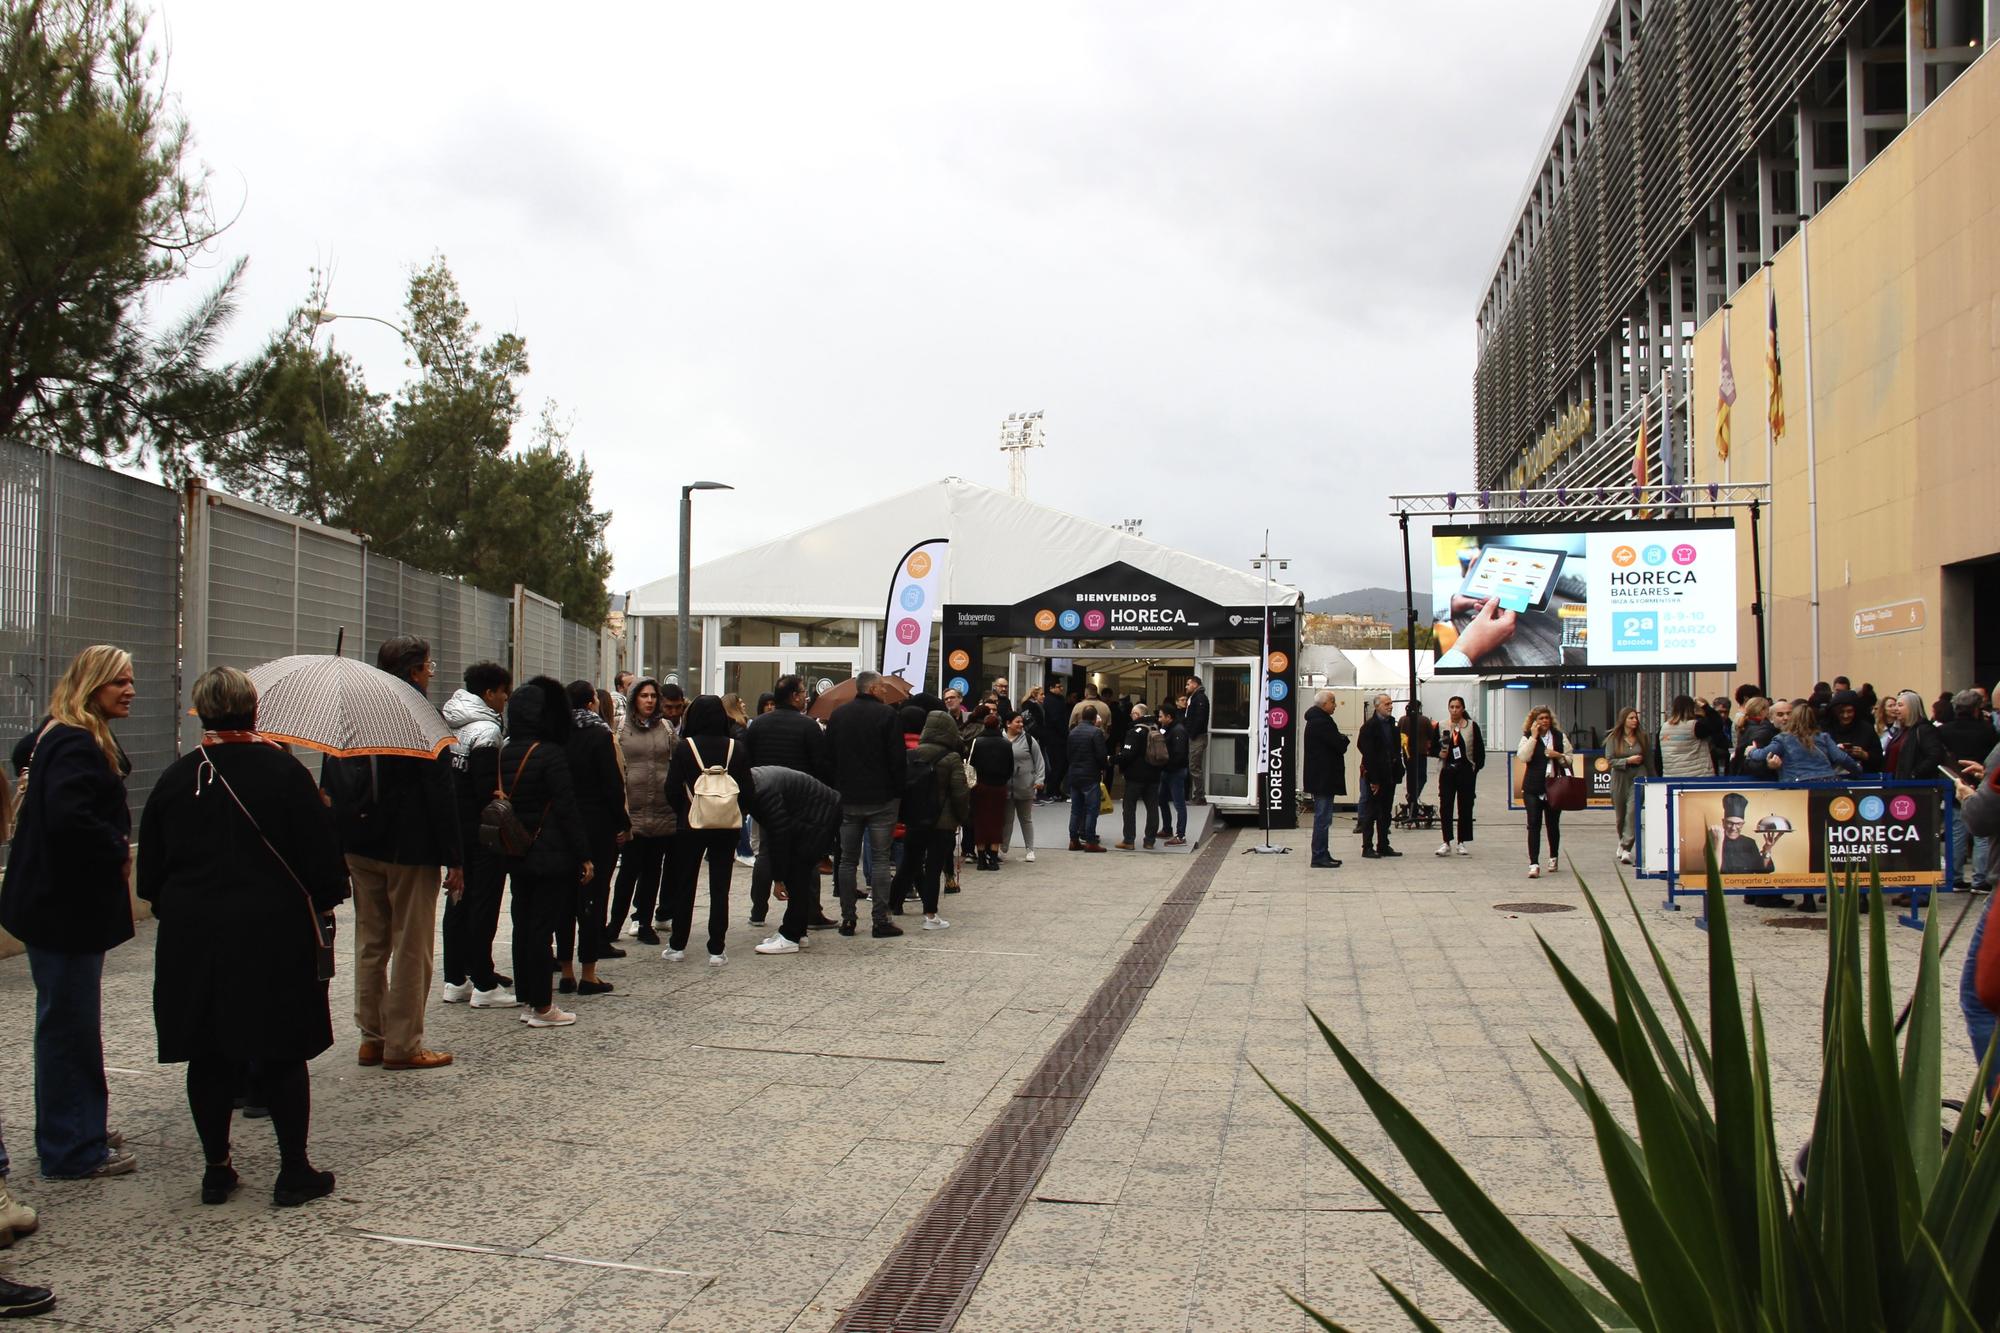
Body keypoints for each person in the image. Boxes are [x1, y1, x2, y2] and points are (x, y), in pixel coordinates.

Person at [137, 667, 347, 1207]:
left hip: (193, 932)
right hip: (271, 930)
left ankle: (216, 1168)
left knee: (206, 1051)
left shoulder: (177, 777)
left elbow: (149, 876)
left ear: (201, 712)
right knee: (280, 1048)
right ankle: (293, 1169)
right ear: (255, 710)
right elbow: (324, 870)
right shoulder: (285, 774)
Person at [1, 646, 140, 1179]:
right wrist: (115, 848)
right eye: (118, 682)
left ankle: (79, 1125)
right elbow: (70, 818)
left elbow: (23, 759)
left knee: (67, 1022)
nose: (128, 690)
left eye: (130, 681)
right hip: (65, 908)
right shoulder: (80, 743)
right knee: (70, 1027)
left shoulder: (52, 731)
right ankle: (71, 1147)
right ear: (92, 686)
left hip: (44, 902)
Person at [322, 636, 462, 1072]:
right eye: (428, 666)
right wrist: (454, 857)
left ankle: (372, 1037)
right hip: (410, 848)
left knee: (370, 942)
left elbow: (330, 778)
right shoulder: (419, 715)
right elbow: (441, 795)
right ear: (416, 670)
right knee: (411, 945)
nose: (431, 673)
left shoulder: (352, 712)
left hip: (359, 845)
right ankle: (403, 1043)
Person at [474, 678, 590, 1028]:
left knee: (523, 923)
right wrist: (583, 854)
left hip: (516, 849)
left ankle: (527, 995)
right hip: (550, 851)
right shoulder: (551, 753)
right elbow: (567, 807)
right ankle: (543, 1006)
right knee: (542, 928)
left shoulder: (506, 749)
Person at [441, 662, 514, 1008]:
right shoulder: (486, 730)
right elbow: (487, 788)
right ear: (489, 693)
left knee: (457, 900)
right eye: (503, 692)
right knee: (483, 904)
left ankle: (455, 978)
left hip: (454, 825)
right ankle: (484, 983)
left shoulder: (450, 721)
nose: (505, 699)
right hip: (481, 833)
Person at [665, 695, 759, 962]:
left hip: (691, 823)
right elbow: (748, 791)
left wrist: (684, 811)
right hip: (726, 825)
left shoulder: (685, 748)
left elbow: (671, 788)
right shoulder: (736, 748)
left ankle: (677, 945)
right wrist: (735, 811)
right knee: (720, 885)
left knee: (685, 883)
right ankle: (716, 948)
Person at [745, 675, 834, 925]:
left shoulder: (758, 725)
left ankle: (758, 910)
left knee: (765, 851)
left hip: (766, 797)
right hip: (800, 799)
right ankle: (811, 911)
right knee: (807, 855)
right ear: (794, 696)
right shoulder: (808, 726)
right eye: (803, 692)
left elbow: (748, 761)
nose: (805, 697)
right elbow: (820, 765)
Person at [826, 672, 908, 938]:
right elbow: (897, 759)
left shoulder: (838, 716)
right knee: (881, 858)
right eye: (882, 688)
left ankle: (848, 919)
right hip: (881, 797)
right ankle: (880, 920)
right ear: (872, 688)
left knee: (847, 860)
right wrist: (898, 792)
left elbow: (830, 756)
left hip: (847, 797)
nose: (885, 692)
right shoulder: (887, 716)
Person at [560, 680, 628, 996]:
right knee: (595, 895)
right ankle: (589, 972)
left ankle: (566, 971)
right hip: (597, 824)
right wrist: (623, 822)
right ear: (591, 703)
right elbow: (611, 785)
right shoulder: (599, 735)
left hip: (564, 823)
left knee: (565, 899)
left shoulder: (556, 733)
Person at [747, 764, 844, 954]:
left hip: (818, 815)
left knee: (798, 874)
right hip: (814, 811)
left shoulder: (763, 792)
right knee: (799, 874)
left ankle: (790, 936)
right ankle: (799, 933)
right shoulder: (756, 781)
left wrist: (778, 878)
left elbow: (779, 835)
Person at [610, 678, 678, 946]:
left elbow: (676, 759)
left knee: (653, 871)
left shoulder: (665, 727)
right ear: (634, 699)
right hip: (633, 810)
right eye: (644, 696)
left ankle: (645, 921)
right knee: (628, 870)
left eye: (653, 696)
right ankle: (614, 923)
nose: (649, 700)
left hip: (662, 809)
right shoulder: (620, 727)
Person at [900, 711, 970, 929]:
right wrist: (962, 816)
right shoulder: (951, 758)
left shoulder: (911, 754)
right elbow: (960, 792)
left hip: (915, 818)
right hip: (942, 820)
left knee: (910, 862)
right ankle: (930, 915)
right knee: (933, 867)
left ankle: (893, 904)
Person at [1938, 690, 1993, 891]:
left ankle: (1955, 877)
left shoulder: (1945, 731)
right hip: (1980, 782)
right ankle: (1980, 878)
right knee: (1981, 836)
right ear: (1977, 708)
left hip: (1954, 781)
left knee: (1956, 831)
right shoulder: (1987, 730)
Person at [1517, 706, 1569, 879]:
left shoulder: (1559, 736)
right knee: (1533, 824)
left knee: (1552, 824)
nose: (1544, 721)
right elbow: (1523, 757)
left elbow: (1569, 759)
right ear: (1534, 721)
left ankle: (1553, 856)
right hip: (1533, 787)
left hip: (1554, 787)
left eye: (1546, 718)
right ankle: (1534, 863)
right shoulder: (1527, 737)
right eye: (1540, 719)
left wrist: (1558, 755)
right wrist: (1533, 738)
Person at [1746, 702, 1861, 779]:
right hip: (1827, 783)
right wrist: (1857, 770)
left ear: (1793, 719)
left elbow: (1762, 755)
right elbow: (1840, 757)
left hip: (1797, 785)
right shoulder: (1824, 737)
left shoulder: (1783, 739)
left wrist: (1751, 751)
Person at [1302, 691, 1348, 869]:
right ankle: (1319, 854)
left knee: (1324, 817)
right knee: (1323, 817)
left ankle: (1323, 852)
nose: (1335, 705)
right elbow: (1339, 744)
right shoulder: (1321, 723)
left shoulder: (1317, 721)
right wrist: (1343, 739)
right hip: (1323, 777)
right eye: (1333, 702)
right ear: (1324, 704)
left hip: (1321, 776)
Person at [1434, 695, 1484, 857]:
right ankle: (1446, 841)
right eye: (1452, 707)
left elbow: (1479, 751)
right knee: (1446, 805)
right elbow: (1432, 747)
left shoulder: (1471, 726)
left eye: (1457, 707)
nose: (1454, 710)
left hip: (1465, 771)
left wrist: (1474, 770)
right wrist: (1439, 752)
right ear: (1448, 708)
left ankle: (1462, 841)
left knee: (1465, 806)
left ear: (1462, 709)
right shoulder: (1442, 726)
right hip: (1447, 770)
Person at [1356, 693, 1403, 859]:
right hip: (1375, 775)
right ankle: (1367, 846)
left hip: (1390, 774)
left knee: (1385, 811)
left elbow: (1395, 749)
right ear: (1377, 706)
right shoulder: (1370, 727)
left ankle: (1383, 844)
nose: (1390, 706)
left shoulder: (1392, 724)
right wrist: (1374, 780)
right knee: (1371, 812)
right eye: (1386, 704)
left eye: (1390, 703)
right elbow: (1367, 753)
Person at [1114, 703, 1163, 851]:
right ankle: (1150, 840)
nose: (1130, 716)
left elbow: (1127, 755)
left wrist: (1113, 760)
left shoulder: (1135, 732)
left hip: (1135, 776)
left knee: (1129, 807)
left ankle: (1129, 840)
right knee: (1153, 807)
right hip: (1154, 775)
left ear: (1136, 715)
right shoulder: (1155, 728)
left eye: (1132, 714)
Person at [968, 712, 1014, 869]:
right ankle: (993, 858)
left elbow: (971, 764)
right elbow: (1010, 768)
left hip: (980, 786)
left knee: (980, 821)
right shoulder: (1006, 744)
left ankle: (981, 858)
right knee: (996, 821)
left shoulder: (977, 742)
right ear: (998, 725)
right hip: (999, 787)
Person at [1606, 707, 1650, 865]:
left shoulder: (1643, 737)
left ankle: (1626, 848)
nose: (1634, 721)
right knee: (1620, 816)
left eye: (1635, 718)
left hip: (1638, 776)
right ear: (1623, 720)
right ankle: (1622, 840)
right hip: (1619, 777)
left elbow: (1649, 759)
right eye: (1631, 718)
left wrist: (1653, 779)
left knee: (1632, 813)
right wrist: (1627, 761)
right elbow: (1609, 760)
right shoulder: (1613, 738)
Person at [999, 712, 1045, 861]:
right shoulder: (1000, 738)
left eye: (1021, 722)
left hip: (1025, 786)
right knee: (1007, 820)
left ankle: (1030, 849)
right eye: (1017, 722)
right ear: (1008, 723)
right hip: (1006, 788)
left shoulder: (1028, 739)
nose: (1020, 725)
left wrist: (1039, 779)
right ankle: (1003, 849)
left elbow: (1039, 761)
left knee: (1026, 819)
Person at [1066, 706, 1109, 851]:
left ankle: (1073, 839)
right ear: (1094, 717)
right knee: (1092, 809)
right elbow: (1101, 755)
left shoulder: (1073, 732)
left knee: (1076, 809)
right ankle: (1090, 841)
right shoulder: (1096, 733)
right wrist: (1104, 767)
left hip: (1074, 774)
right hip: (1090, 775)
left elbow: (1068, 754)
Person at [1885, 688, 1948, 781]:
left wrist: (1914, 773)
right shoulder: (1901, 731)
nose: (1896, 709)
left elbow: (1935, 756)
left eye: (1900, 705)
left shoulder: (1924, 729)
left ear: (1912, 708)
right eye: (1895, 705)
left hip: (1914, 787)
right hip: (1894, 785)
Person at [1822, 689, 1883, 773]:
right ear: (1835, 712)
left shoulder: (1866, 729)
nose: (1845, 715)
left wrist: (1864, 755)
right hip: (1832, 778)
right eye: (1841, 712)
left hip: (1862, 780)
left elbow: (1879, 759)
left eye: (1849, 711)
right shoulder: (1827, 729)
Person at [1156, 701, 1191, 846]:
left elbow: (1179, 755)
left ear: (1169, 717)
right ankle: (1167, 828)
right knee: (1161, 799)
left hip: (1175, 772)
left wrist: (1166, 765)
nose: (1159, 719)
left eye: (1161, 716)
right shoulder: (1167, 728)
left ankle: (1180, 835)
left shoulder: (1178, 731)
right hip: (1167, 771)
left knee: (1179, 804)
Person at [1399, 702, 1436, 812]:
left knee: (1410, 776)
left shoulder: (1402, 720)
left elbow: (1398, 735)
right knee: (1421, 777)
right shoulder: (1424, 720)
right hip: (1421, 753)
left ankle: (1411, 796)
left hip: (1407, 753)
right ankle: (1413, 797)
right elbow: (1432, 736)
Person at [1728, 697, 1777, 777]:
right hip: (1752, 774)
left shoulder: (1745, 725)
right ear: (1762, 711)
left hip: (1740, 771)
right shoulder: (1761, 730)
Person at [1183, 676, 1210, 803]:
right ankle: (1198, 795)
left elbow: (1200, 719)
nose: (1186, 687)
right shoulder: (1195, 698)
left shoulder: (1199, 699)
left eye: (1188, 684)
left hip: (1197, 737)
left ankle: (1199, 796)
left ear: (1194, 684)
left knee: (1194, 766)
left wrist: (1192, 734)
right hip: (1196, 736)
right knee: (1194, 766)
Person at [1042, 680, 1070, 800]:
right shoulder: (1052, 701)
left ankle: (1055, 789)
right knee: (1058, 764)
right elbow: (1056, 719)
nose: (1061, 689)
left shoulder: (1056, 700)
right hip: (1056, 738)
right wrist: (1065, 733)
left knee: (1060, 765)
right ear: (1051, 687)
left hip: (1057, 737)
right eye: (1059, 686)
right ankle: (1052, 790)